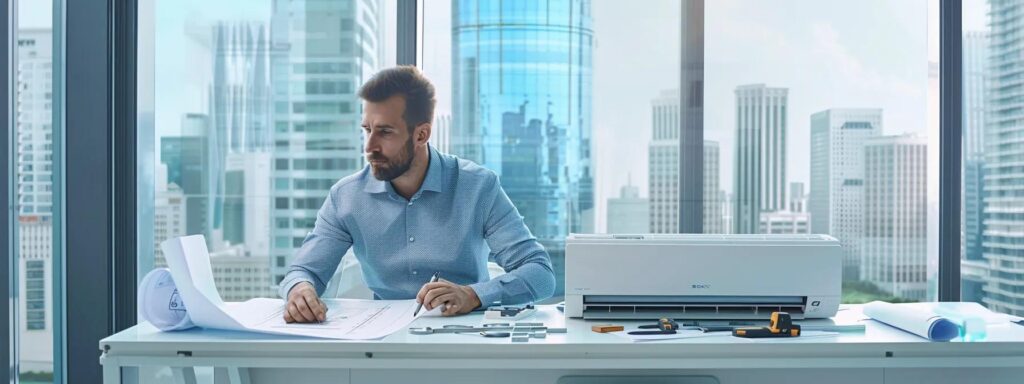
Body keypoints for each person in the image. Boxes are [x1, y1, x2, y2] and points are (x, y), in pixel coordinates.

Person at [279, 66, 556, 323]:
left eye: (385, 132)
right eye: (367, 130)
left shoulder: (478, 187)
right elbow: (303, 271)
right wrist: (300, 289)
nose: (370, 146)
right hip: (384, 341)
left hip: (464, 335)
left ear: (421, 135)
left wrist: (473, 295)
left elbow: (540, 273)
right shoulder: (346, 197)